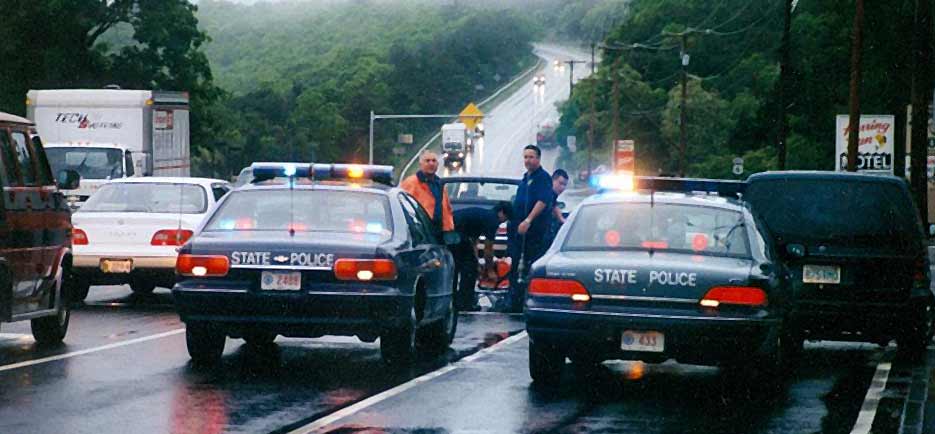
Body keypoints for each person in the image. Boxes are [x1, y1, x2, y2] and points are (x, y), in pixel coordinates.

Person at [508, 144, 553, 312]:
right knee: (516, 266)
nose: (528, 160)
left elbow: (542, 201)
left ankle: (528, 301)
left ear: (538, 159)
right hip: (519, 233)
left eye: (531, 157)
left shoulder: (543, 178)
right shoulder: (525, 178)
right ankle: (514, 300)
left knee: (530, 266)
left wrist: (528, 220)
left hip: (535, 232)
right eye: (525, 157)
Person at [451, 202, 512, 311]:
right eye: (506, 218)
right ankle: (465, 303)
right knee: (469, 270)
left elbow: (474, 241)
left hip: (450, 230)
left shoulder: (483, 215)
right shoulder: (493, 220)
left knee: (456, 267)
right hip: (456, 233)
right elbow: (488, 249)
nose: (504, 221)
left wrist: (477, 261)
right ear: (501, 212)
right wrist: (490, 270)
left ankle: (454, 300)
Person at [399, 150, 455, 242]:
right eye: (427, 161)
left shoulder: (439, 183)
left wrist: (449, 229)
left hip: (439, 233)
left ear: (438, 164)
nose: (431, 163)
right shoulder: (411, 183)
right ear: (420, 164)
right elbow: (403, 207)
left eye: (434, 161)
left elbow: (447, 208)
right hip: (420, 233)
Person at [546, 169, 570, 244]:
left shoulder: (552, 195)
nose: (562, 187)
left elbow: (554, 207)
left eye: (565, 185)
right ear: (553, 180)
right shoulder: (546, 194)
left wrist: (562, 219)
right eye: (560, 183)